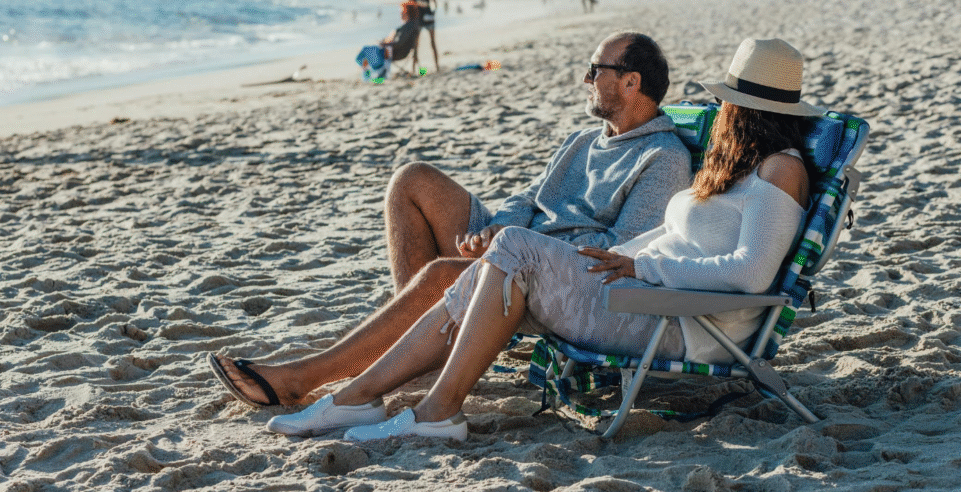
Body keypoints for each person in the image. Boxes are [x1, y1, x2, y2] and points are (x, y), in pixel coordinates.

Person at [262, 37, 824, 441]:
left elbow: (751, 273)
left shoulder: (782, 169)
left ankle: (429, 408)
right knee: (501, 252)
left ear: (746, 109)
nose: (719, 109)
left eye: (726, 100)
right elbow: (662, 236)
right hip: (644, 298)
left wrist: (641, 270)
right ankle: (358, 397)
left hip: (681, 321)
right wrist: (619, 258)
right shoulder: (738, 171)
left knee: (512, 250)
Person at [209, 31, 693, 408]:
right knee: (412, 180)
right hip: (521, 247)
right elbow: (528, 196)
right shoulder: (584, 140)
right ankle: (418, 345)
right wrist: (496, 228)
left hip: (553, 273)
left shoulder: (663, 156)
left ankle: (300, 381)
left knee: (442, 276)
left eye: (595, 70)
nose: (586, 80)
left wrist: (521, 245)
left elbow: (622, 250)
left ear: (631, 82)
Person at [355, 1, 421, 83]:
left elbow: (399, 43)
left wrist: (384, 44)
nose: (400, 14)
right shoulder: (412, 25)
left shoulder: (408, 27)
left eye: (401, 11)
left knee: (365, 51)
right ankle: (369, 73)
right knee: (365, 52)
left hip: (395, 52)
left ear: (406, 12)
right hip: (397, 51)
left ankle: (370, 75)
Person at [407, 0, 439, 74]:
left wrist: (433, 11)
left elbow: (434, 3)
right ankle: (414, 69)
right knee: (416, 44)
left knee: (433, 43)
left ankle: (437, 67)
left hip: (429, 18)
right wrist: (417, 4)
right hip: (417, 19)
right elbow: (409, 5)